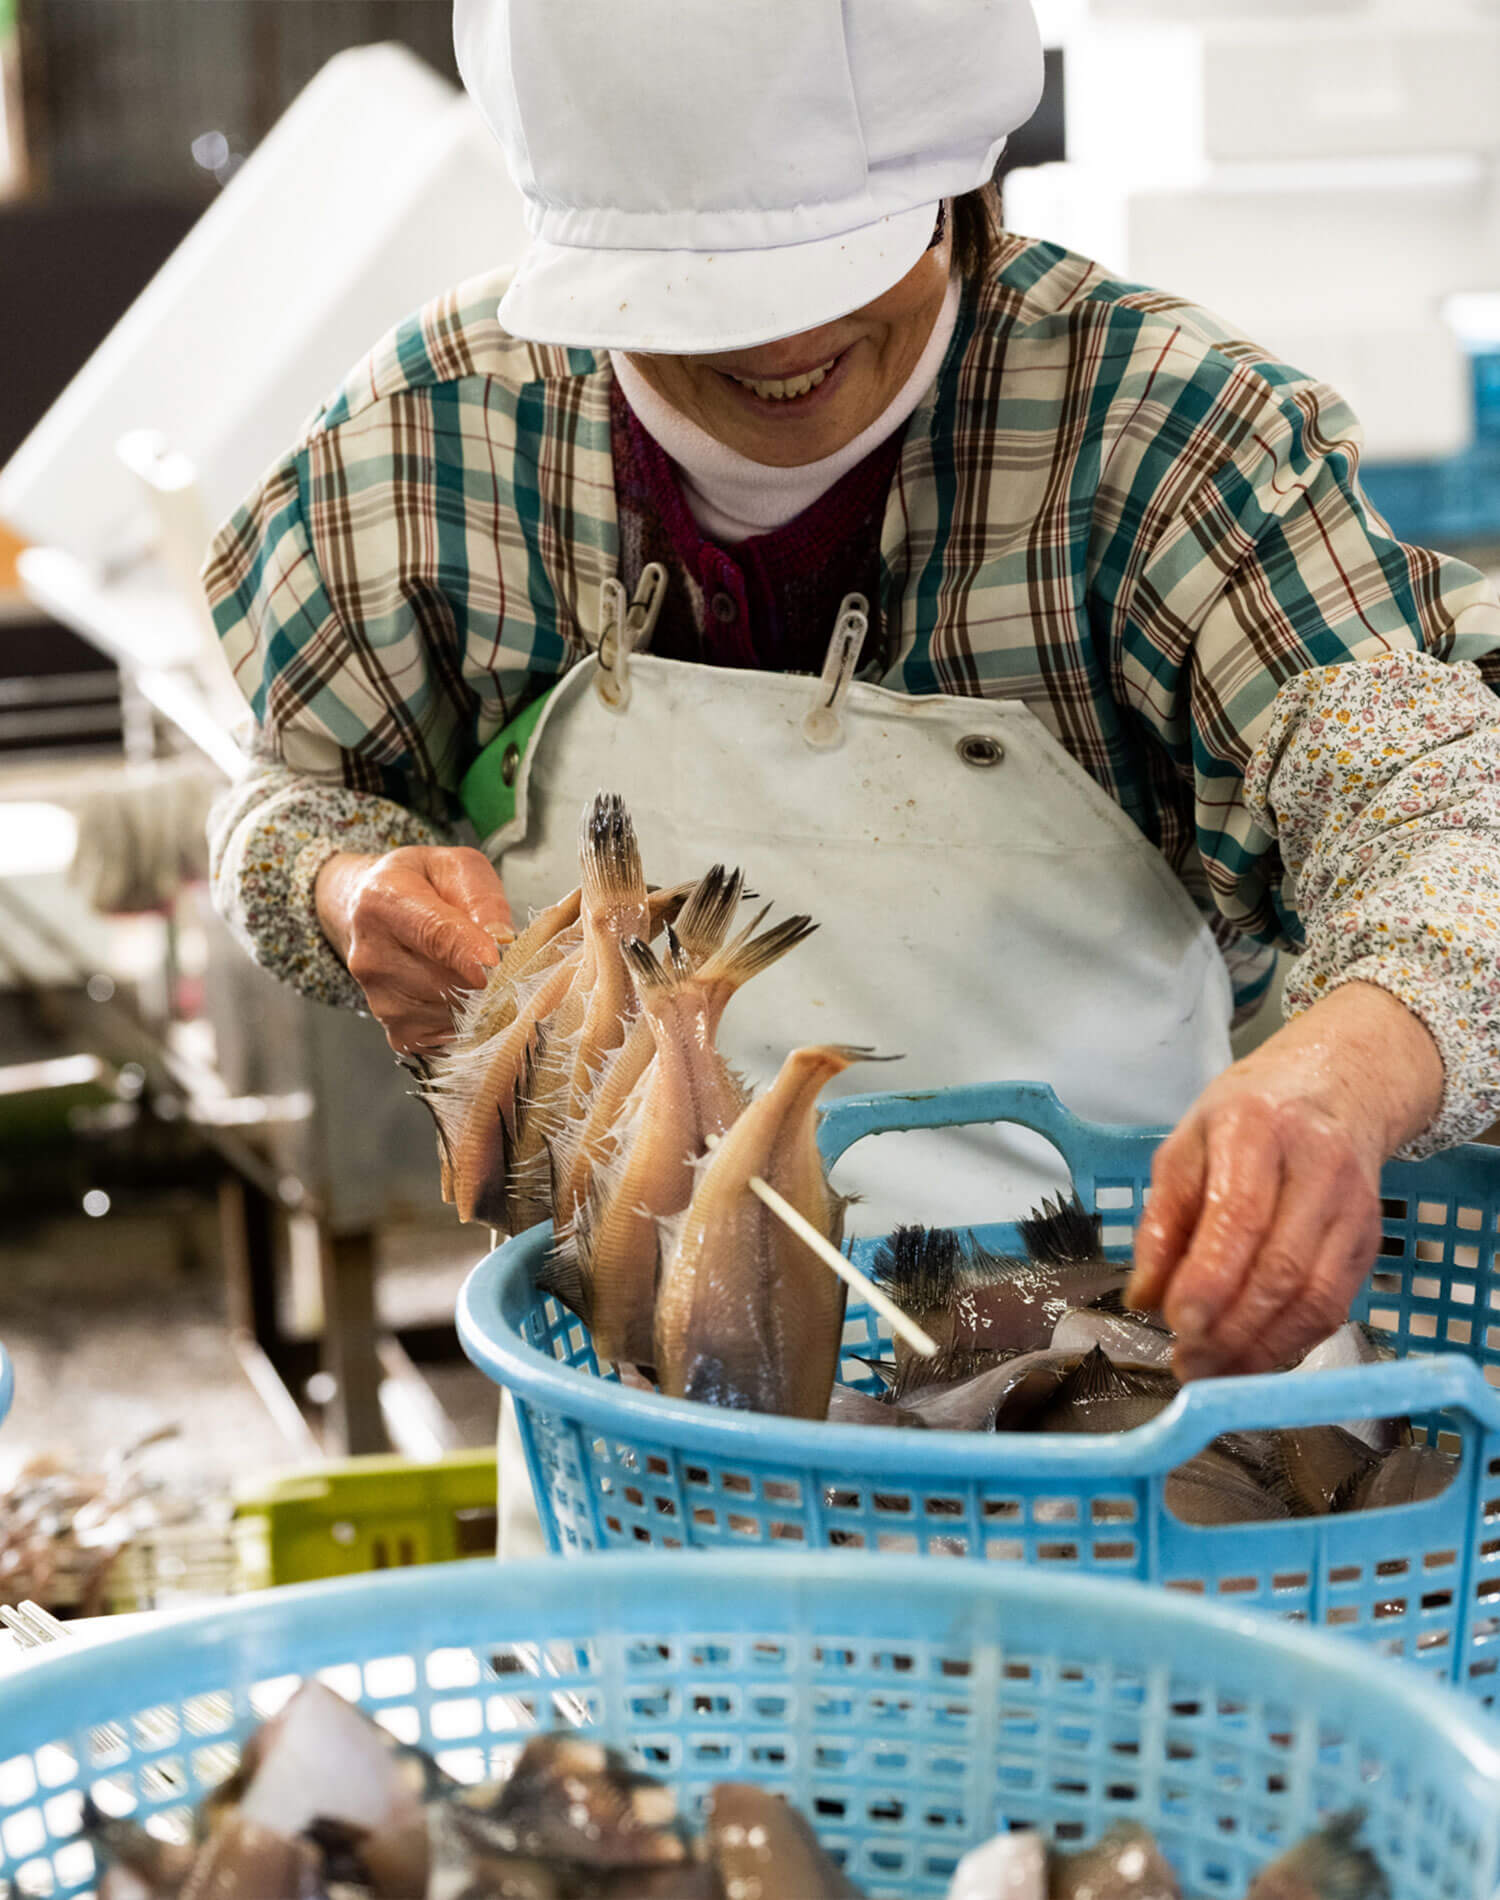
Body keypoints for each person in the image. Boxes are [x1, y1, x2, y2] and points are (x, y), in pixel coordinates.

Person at [206, 0, 1500, 1403]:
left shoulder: (1157, 443)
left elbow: (1440, 807)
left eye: (840, 259)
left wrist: (1344, 1076)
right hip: (647, 1455)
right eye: (704, 291)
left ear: (956, 188)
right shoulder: (434, 444)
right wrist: (343, 886)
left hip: (1126, 1407)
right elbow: (286, 795)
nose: (785, 343)